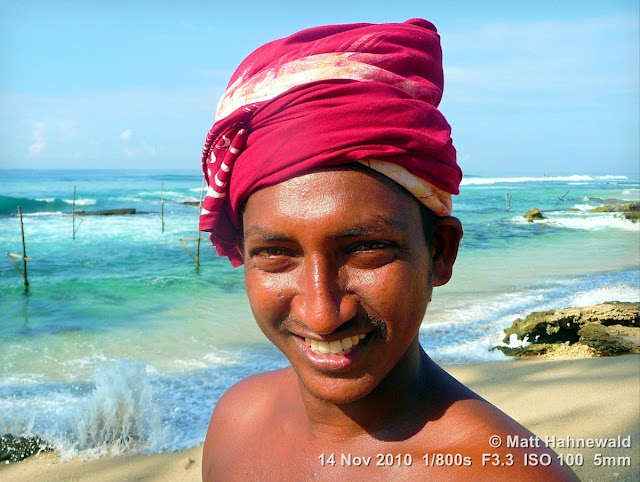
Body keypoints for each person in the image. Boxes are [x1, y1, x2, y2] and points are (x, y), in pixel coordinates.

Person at [199, 19, 577, 480]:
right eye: (276, 253)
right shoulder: (235, 422)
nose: (322, 314)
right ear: (242, 253)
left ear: (440, 252)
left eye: (367, 249)